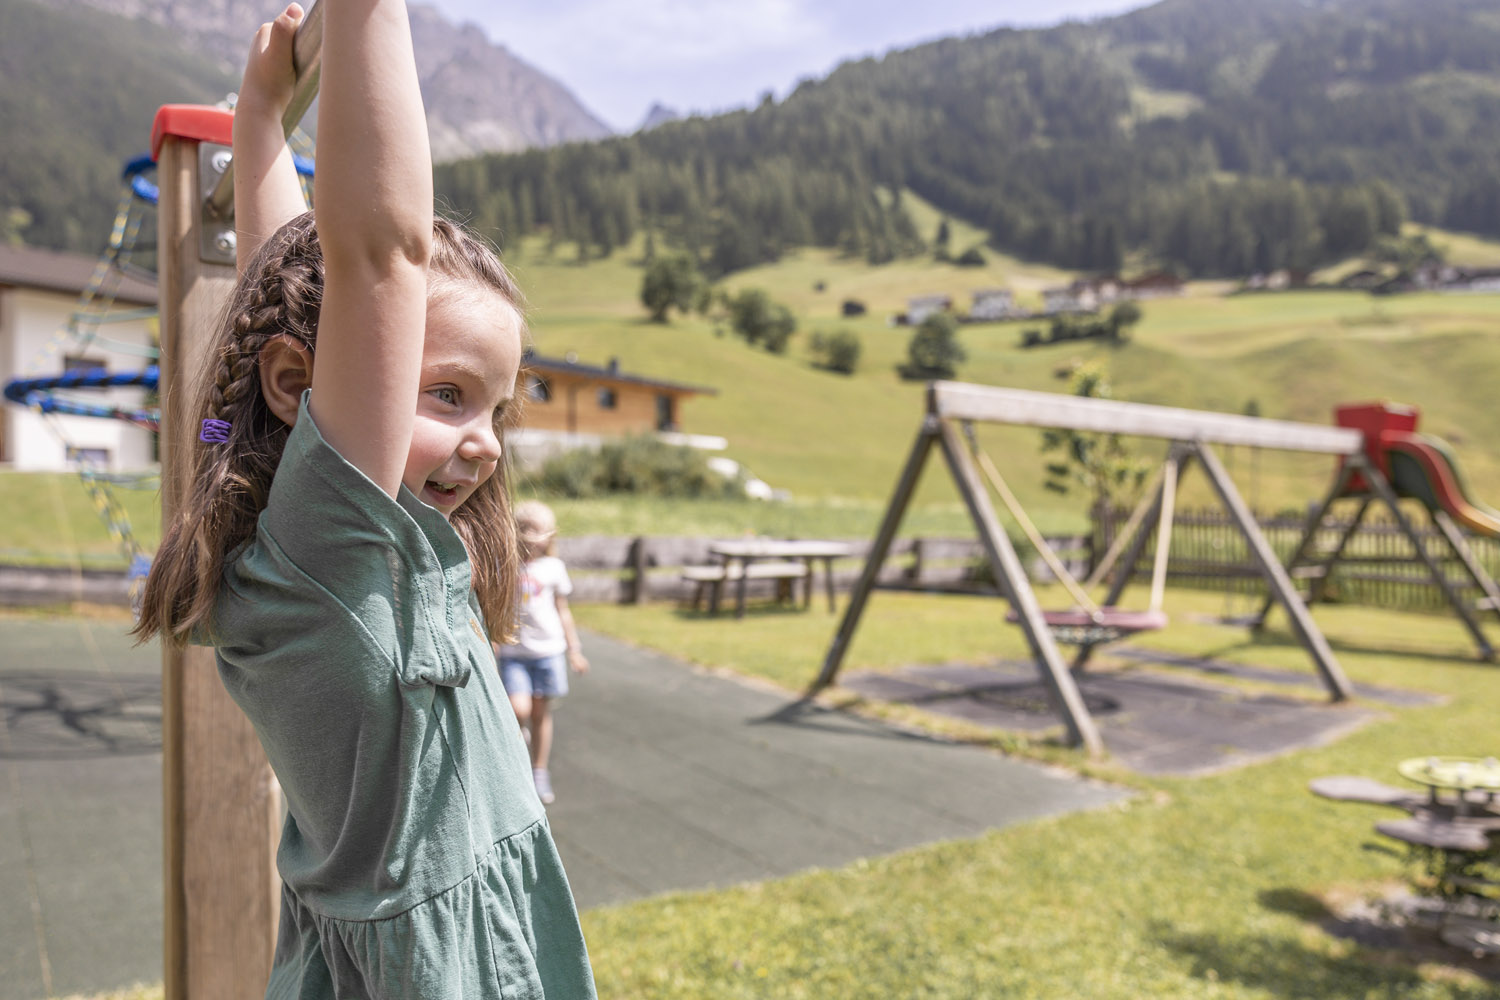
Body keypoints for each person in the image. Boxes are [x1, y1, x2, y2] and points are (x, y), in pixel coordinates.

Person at [131, 2, 596, 995]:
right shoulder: (333, 549)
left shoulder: (299, 546)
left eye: (497, 409)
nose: (482, 440)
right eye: (447, 393)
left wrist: (260, 121)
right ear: (300, 386)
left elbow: (285, 288)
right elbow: (373, 255)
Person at [496, 500, 589, 805]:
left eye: (537, 531)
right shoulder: (507, 564)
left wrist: (574, 649)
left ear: (549, 536)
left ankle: (539, 770)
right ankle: (519, 745)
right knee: (518, 709)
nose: (531, 537)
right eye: (525, 529)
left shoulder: (553, 568)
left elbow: (562, 611)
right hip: (515, 653)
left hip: (548, 652)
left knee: (541, 714)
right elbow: (496, 608)